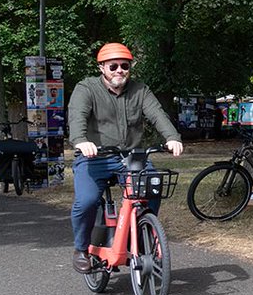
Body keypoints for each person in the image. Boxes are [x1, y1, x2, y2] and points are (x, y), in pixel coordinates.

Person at [68, 43, 184, 274]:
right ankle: (81, 249)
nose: (119, 70)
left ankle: (141, 233)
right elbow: (77, 115)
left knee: (153, 184)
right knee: (87, 201)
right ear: (101, 67)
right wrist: (82, 141)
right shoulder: (87, 88)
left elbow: (157, 113)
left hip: (131, 157)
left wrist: (172, 137)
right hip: (95, 158)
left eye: (125, 66)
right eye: (113, 66)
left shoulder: (140, 90)